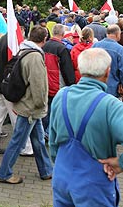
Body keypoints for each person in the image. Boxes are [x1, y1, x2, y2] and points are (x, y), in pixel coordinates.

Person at [50, 48, 123, 206]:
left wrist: (63, 166)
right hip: (94, 183)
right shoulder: (111, 105)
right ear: (107, 72)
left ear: (80, 68)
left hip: (61, 176)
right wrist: (120, 163)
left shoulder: (61, 96)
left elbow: (53, 143)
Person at [0, 25, 53, 184]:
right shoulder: (35, 56)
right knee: (18, 141)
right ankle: (4, 173)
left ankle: (46, 170)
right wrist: (42, 105)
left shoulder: (24, 51)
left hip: (27, 105)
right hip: (30, 108)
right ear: (44, 39)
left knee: (38, 140)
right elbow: (38, 86)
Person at [42, 24, 75, 138]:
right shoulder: (62, 49)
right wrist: (71, 84)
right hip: (57, 84)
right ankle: (48, 132)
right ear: (62, 34)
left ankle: (43, 131)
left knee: (45, 109)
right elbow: (67, 69)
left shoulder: (44, 46)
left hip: (44, 82)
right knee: (54, 110)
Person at [92, 24, 123, 97]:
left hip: (95, 86)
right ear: (117, 34)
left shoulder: (95, 45)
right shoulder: (120, 49)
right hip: (112, 88)